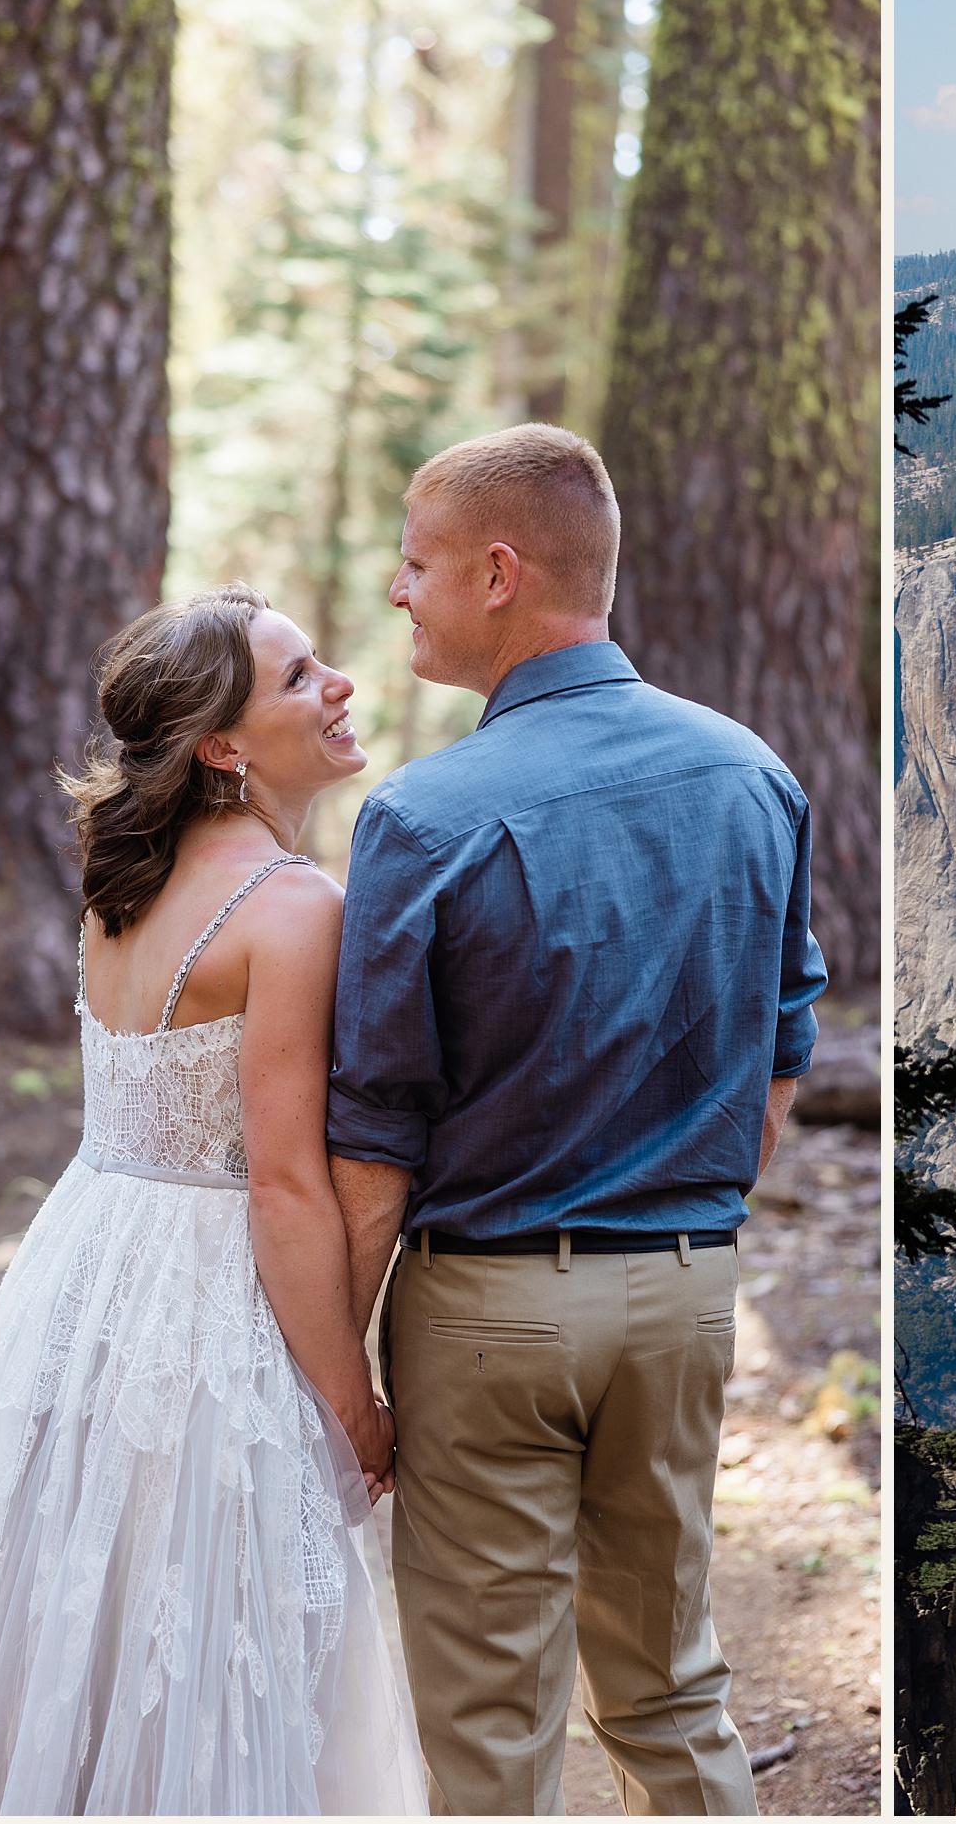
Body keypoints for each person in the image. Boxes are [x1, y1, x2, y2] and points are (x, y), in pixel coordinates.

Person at [0, 587, 426, 1816]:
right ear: (223, 747)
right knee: (199, 1625)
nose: (340, 682)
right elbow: (288, 1187)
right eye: (300, 676)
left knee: (69, 1612)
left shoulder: (121, 890)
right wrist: (351, 1399)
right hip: (203, 1305)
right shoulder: (294, 910)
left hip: (83, 1270)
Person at [327, 422, 826, 1816]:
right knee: (671, 1691)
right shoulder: (753, 774)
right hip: (685, 1296)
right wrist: (690, 1220)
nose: (396, 592)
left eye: (416, 564)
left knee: (490, 1731)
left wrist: (350, 1379)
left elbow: (376, 1140)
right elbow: (782, 1049)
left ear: (497, 575)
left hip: (486, 1310)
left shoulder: (422, 820)